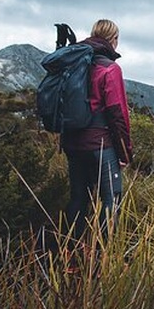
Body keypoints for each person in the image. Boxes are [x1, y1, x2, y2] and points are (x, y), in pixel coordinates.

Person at [62, 19, 133, 242]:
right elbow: (117, 113)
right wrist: (124, 153)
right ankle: (103, 258)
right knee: (111, 198)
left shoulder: (74, 63)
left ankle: (70, 256)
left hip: (72, 143)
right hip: (100, 145)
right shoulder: (110, 68)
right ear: (114, 40)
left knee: (78, 199)